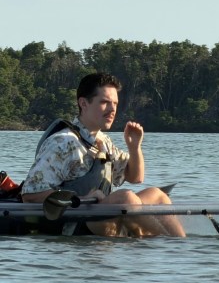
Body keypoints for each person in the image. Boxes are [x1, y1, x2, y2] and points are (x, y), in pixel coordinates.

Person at [21, 73, 186, 237]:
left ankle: (179, 245)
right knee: (126, 198)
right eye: (105, 102)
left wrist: (134, 147)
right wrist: (83, 197)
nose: (112, 109)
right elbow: (30, 194)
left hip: (102, 216)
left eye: (115, 103)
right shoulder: (62, 142)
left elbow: (136, 177)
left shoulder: (103, 141)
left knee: (157, 195)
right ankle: (167, 242)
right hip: (74, 223)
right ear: (83, 103)